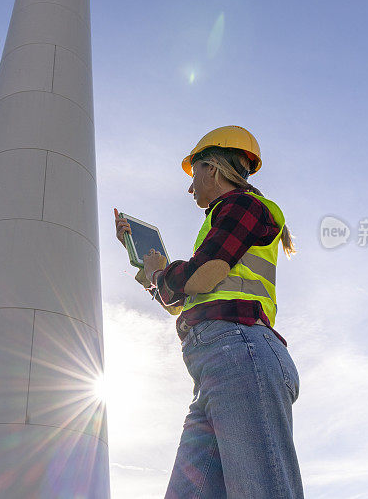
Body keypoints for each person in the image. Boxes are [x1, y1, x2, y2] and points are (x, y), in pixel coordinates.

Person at [113, 125, 304, 498]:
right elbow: (183, 302)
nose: (190, 187)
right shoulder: (225, 216)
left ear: (212, 168)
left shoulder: (241, 206)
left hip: (240, 352)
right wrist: (148, 271)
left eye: (194, 173)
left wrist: (160, 273)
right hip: (219, 364)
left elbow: (203, 275)